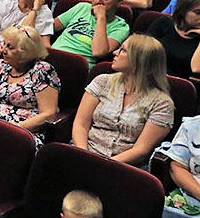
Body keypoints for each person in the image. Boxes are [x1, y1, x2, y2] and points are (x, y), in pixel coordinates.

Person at [72, 34, 173, 166]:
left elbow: (141, 150)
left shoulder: (162, 103)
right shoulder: (102, 81)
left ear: (139, 60)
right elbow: (80, 124)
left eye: (123, 50)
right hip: (85, 151)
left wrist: (101, 165)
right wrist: (83, 154)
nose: (115, 52)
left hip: (123, 166)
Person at [0, 25, 60, 145]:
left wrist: (13, 129)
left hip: (22, 132)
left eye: (10, 47)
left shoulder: (43, 70)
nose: (3, 50)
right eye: (5, 44)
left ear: (26, 52)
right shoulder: (3, 65)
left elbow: (48, 113)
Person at [52, 0, 130, 68]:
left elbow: (98, 52)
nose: (98, 2)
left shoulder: (121, 27)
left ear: (119, 1)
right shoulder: (82, 8)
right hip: (53, 58)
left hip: (76, 67)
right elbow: (48, 28)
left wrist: (101, 18)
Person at [146, 0, 200, 79]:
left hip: (180, 88)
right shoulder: (163, 23)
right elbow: (140, 52)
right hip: (150, 78)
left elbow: (196, 69)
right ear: (183, 10)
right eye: (198, 13)